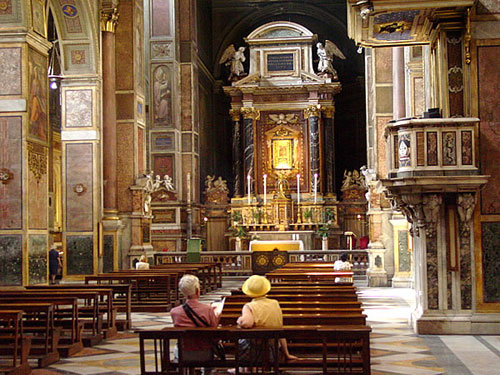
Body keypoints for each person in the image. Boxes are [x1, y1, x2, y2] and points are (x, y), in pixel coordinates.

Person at [237, 275, 298, 364]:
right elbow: (280, 329)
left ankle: (242, 368)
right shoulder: (275, 303)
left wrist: (239, 320)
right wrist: (287, 353)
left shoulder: (249, 306)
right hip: (273, 350)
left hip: (256, 350)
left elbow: (247, 324)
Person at [170, 275, 221, 374]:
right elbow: (214, 332)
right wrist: (216, 316)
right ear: (198, 291)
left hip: (183, 353)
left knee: (176, 347)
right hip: (205, 353)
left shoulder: (174, 312)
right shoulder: (208, 310)